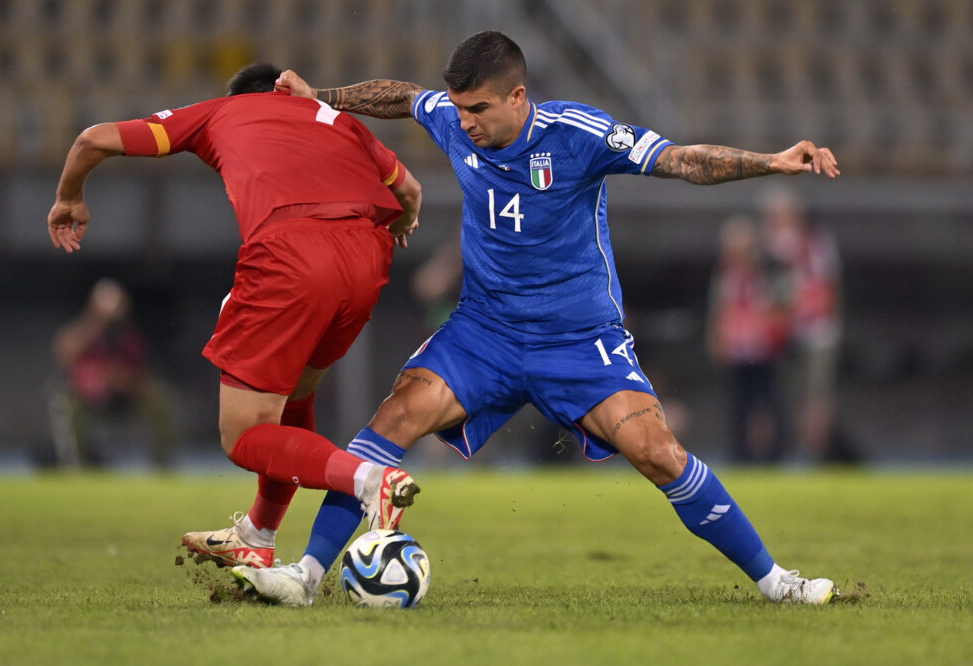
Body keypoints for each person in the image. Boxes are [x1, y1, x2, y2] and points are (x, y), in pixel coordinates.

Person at [213, 31, 842, 607]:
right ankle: (304, 577)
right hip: (484, 331)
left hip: (579, 339)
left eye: (479, 110)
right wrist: (318, 96)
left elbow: (680, 159)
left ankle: (777, 582)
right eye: (459, 109)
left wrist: (770, 160)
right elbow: (405, 97)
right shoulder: (457, 121)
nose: (465, 123)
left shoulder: (579, 135)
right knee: (394, 417)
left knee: (657, 452)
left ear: (519, 97)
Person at [47, 63, 424, 591]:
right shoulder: (335, 119)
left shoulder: (222, 111)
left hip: (292, 253)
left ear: (241, 97)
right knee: (291, 400)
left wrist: (70, 196)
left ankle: (368, 481)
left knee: (244, 434)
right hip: (365, 258)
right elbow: (409, 190)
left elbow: (93, 139)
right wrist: (405, 221)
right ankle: (258, 534)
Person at [759, 185, 849, 463]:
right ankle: (792, 451)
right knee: (789, 397)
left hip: (817, 332)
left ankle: (814, 453)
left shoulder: (814, 243)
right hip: (784, 335)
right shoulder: (769, 244)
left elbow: (827, 290)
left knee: (816, 397)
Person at [49, 277, 177, 469]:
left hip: (124, 395)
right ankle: (76, 467)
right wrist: (96, 323)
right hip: (89, 396)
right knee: (66, 403)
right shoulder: (85, 330)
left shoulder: (129, 335)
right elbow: (64, 352)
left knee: (160, 399)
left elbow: (139, 371)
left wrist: (121, 379)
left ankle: (162, 465)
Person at [707, 216, 792, 464]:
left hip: (764, 351)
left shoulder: (767, 274)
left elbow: (782, 306)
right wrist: (717, 340)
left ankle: (775, 455)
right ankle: (739, 456)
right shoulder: (725, 277)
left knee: (769, 404)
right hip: (737, 352)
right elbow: (718, 311)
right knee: (738, 406)